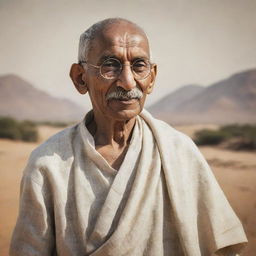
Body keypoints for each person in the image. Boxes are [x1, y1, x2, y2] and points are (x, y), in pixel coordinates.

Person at [10, 18, 247, 256]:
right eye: (110, 65)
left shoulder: (179, 152)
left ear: (152, 77)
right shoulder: (48, 165)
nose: (127, 81)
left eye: (139, 66)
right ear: (80, 78)